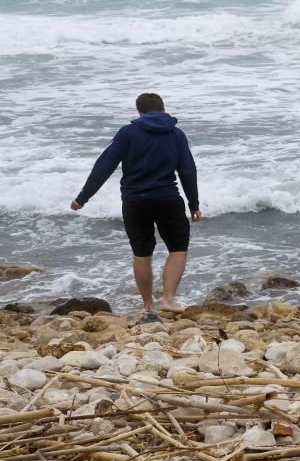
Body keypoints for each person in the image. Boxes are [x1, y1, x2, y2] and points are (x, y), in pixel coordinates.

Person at [71, 93, 202, 316]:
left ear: (139, 112)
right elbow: (187, 171)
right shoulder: (177, 134)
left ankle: (148, 305)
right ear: (163, 109)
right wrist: (193, 203)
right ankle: (168, 299)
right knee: (178, 248)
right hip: (167, 198)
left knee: (142, 253)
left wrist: (82, 197)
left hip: (134, 201)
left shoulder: (127, 133)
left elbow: (104, 166)